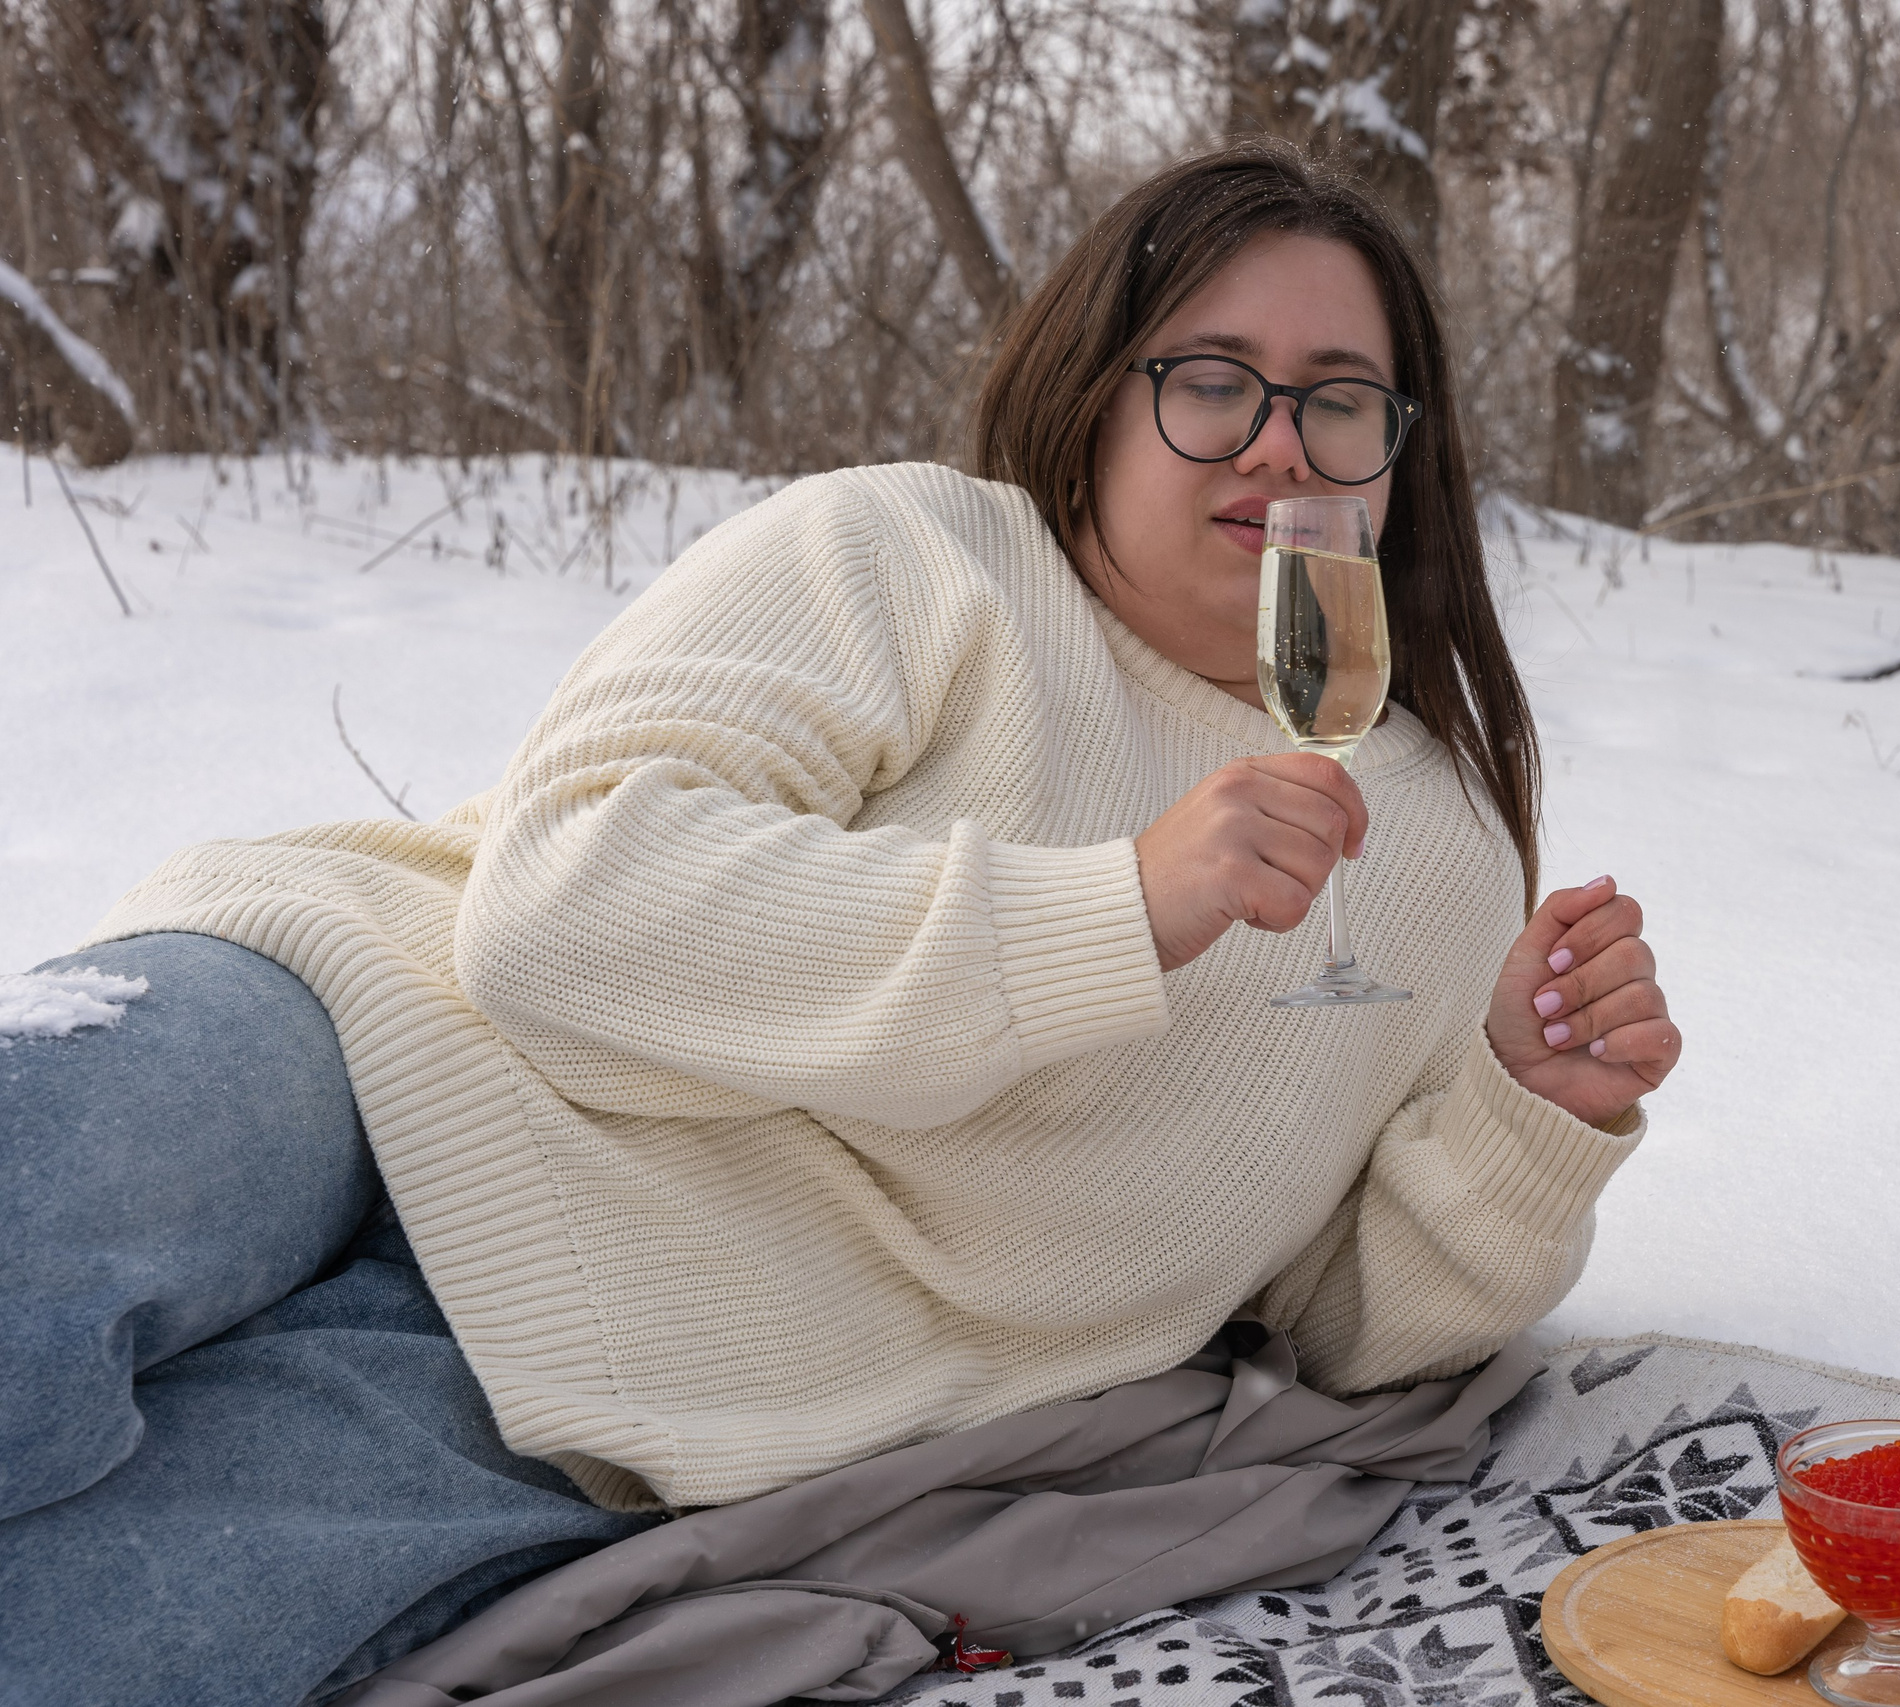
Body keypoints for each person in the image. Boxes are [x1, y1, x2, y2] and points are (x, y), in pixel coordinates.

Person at [0, 138, 1680, 1705]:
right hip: (354, 1051)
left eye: (1339, 402)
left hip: (626, 1385)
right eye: (1212, 382)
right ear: (1097, 401)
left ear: (1404, 455)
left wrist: (1530, 1121)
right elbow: (562, 904)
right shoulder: (918, 557)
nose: (1275, 445)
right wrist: (1107, 912)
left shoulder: (1442, 855)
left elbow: (1330, 1316)